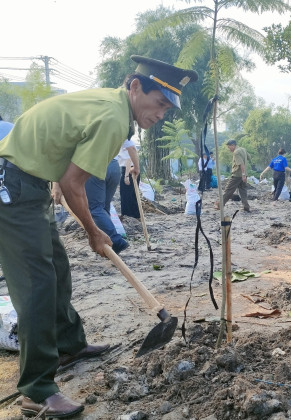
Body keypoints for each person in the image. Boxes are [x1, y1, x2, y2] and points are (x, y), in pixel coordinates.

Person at [0, 55, 197, 417]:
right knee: (37, 284)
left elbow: (64, 171)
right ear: (136, 87)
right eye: (159, 104)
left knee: (57, 269)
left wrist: (92, 228)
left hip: (29, 181)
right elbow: (74, 184)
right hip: (12, 186)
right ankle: (36, 390)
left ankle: (68, 344)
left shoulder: (114, 108)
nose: (160, 115)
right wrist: (95, 233)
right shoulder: (112, 117)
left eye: (167, 110)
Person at [84, 150, 129, 255]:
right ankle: (105, 241)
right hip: (114, 166)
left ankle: (115, 240)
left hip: (95, 166)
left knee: (95, 209)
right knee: (103, 208)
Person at [215, 139, 251, 212]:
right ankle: (246, 207)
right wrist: (244, 175)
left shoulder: (236, 152)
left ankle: (220, 205)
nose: (229, 149)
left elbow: (241, 164)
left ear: (233, 145)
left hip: (237, 175)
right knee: (243, 191)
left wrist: (243, 175)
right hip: (244, 174)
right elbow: (249, 157)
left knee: (228, 190)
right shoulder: (243, 149)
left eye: (229, 147)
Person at [118, 140, 141, 219]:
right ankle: (135, 215)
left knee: (126, 195)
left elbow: (128, 160)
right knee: (133, 195)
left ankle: (128, 216)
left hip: (128, 170)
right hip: (132, 169)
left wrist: (126, 175)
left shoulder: (127, 143)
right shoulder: (131, 143)